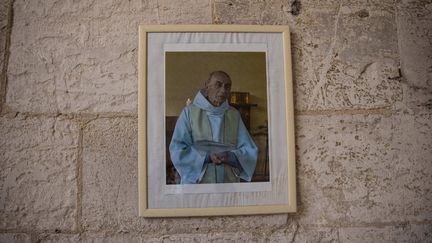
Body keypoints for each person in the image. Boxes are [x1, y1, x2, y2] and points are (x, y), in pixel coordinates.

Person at [169, 71, 258, 184]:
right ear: (207, 85)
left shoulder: (233, 114)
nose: (223, 90)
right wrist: (207, 158)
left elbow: (249, 149)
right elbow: (177, 149)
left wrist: (230, 156)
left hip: (228, 181)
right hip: (198, 182)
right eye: (218, 84)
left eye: (227, 86)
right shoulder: (190, 112)